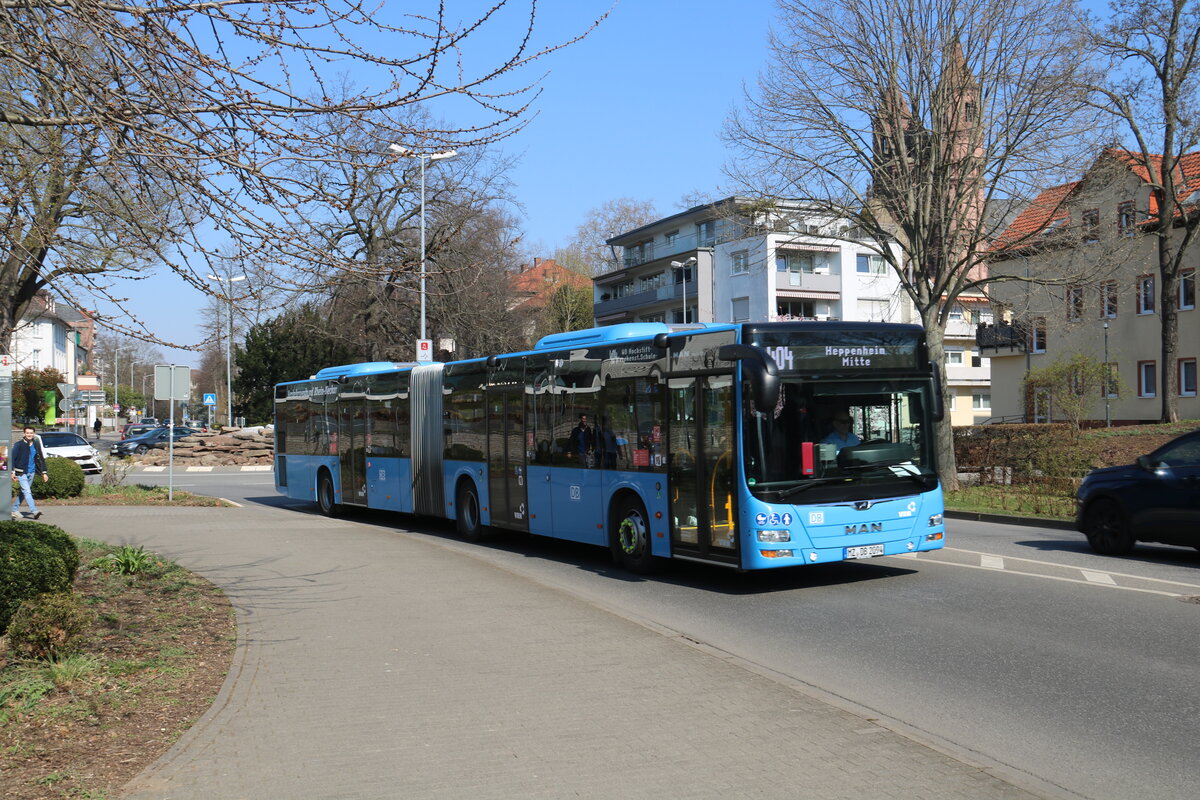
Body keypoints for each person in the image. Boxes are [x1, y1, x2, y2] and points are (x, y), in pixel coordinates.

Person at [11, 426, 49, 519]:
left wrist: (44, 472)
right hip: (21, 472)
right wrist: (12, 472)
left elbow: (41, 459)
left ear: (34, 434)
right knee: (27, 491)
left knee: (24, 492)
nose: (29, 435)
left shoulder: (36, 444)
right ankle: (34, 511)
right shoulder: (18, 444)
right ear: (24, 434)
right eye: (27, 433)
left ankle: (14, 510)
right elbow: (11, 459)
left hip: (31, 472)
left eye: (31, 433)